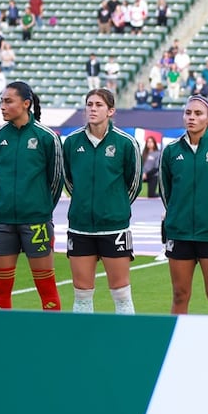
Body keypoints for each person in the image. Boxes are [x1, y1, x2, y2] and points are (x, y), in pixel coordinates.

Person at [61, 88, 142, 314]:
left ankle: (125, 343)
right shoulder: (72, 142)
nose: (92, 109)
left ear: (111, 110)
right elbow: (68, 179)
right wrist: (83, 202)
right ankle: (82, 345)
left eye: (98, 105)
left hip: (114, 227)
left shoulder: (126, 143)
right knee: (82, 295)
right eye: (89, 104)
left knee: (121, 294)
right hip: (80, 227)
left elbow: (134, 183)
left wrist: (116, 206)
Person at [159, 95, 208, 314]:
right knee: (179, 295)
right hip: (179, 233)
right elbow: (166, 192)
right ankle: (176, 344)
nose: (191, 118)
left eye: (198, 113)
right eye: (188, 113)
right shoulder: (171, 150)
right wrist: (176, 215)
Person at [0, 81, 64, 310]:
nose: (2, 106)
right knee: (0, 290)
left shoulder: (47, 137)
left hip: (36, 222)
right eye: (2, 101)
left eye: (8, 101)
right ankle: (3, 342)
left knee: (47, 289)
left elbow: (56, 180)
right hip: (2, 221)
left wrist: (39, 208)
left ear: (26, 104)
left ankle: (52, 341)